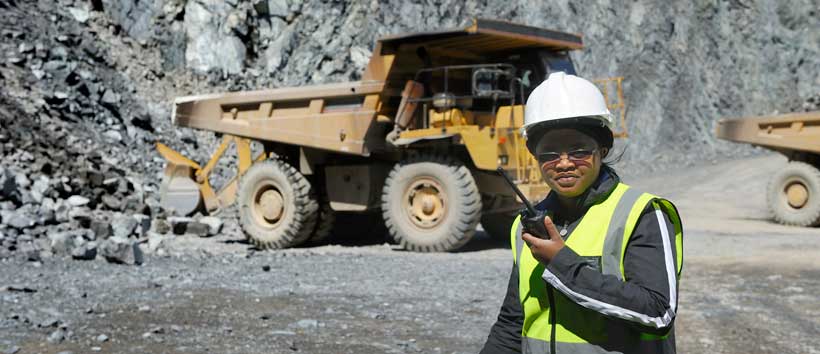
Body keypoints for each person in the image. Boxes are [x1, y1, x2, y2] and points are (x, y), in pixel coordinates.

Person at [479, 72, 683, 354]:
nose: (564, 163)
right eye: (549, 153)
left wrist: (562, 264)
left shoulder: (641, 214)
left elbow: (658, 313)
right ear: (535, 156)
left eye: (578, 151)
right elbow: (513, 322)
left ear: (602, 149)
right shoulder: (524, 225)